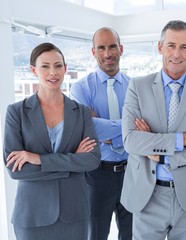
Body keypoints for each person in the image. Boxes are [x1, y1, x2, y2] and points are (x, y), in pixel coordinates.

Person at [120, 20, 186, 240]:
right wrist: (181, 140)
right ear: (160, 47)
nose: (177, 53)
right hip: (147, 195)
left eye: (184, 47)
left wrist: (162, 156)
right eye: (171, 45)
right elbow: (130, 140)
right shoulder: (138, 86)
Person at [3, 42, 101, 240]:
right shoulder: (16, 112)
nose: (52, 72)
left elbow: (92, 160)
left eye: (58, 65)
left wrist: (39, 159)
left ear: (65, 69)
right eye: (45, 66)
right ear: (33, 70)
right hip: (32, 215)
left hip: (74, 213)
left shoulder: (80, 112)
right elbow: (16, 170)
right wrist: (73, 162)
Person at [69, 27, 132, 240]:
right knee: (95, 235)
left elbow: (149, 128)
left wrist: (102, 126)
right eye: (101, 48)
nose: (108, 54)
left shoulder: (136, 87)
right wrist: (129, 127)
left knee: (132, 235)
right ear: (93, 52)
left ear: (121, 49)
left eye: (112, 46)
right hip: (97, 175)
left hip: (133, 173)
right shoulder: (80, 89)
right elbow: (87, 129)